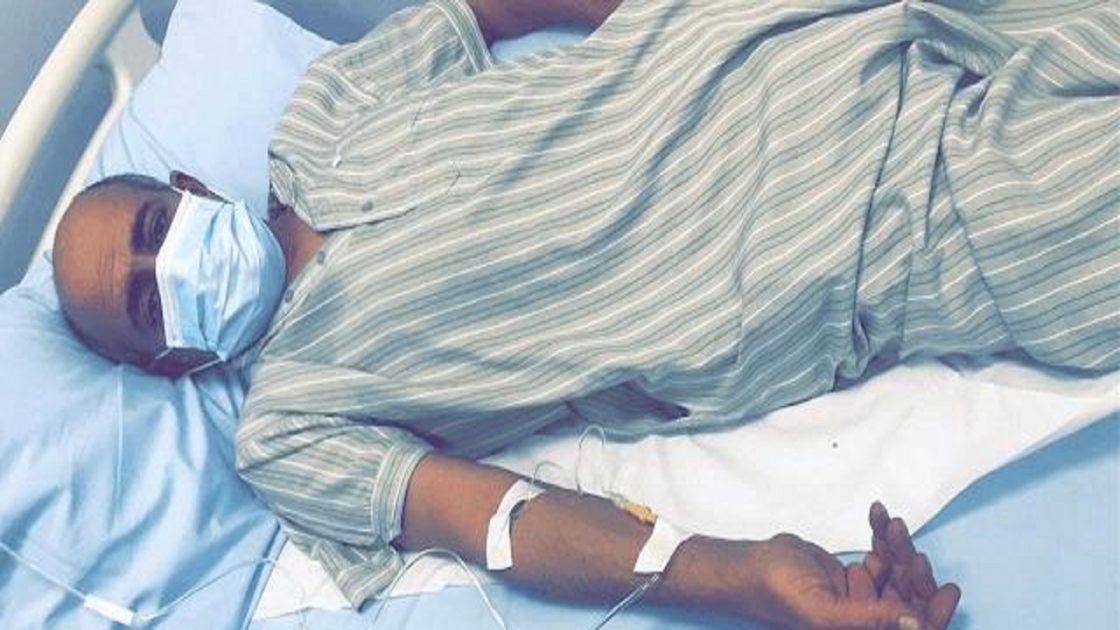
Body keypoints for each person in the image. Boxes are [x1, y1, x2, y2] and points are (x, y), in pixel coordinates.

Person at [51, 0, 1118, 627]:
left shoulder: (323, 118)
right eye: (146, 300)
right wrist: (739, 577)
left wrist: (668, 23)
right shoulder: (290, 426)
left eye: (152, 229)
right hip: (882, 224)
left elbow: (495, 10)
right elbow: (500, 523)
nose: (166, 266)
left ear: (187, 190)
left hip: (833, 31)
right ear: (169, 363)